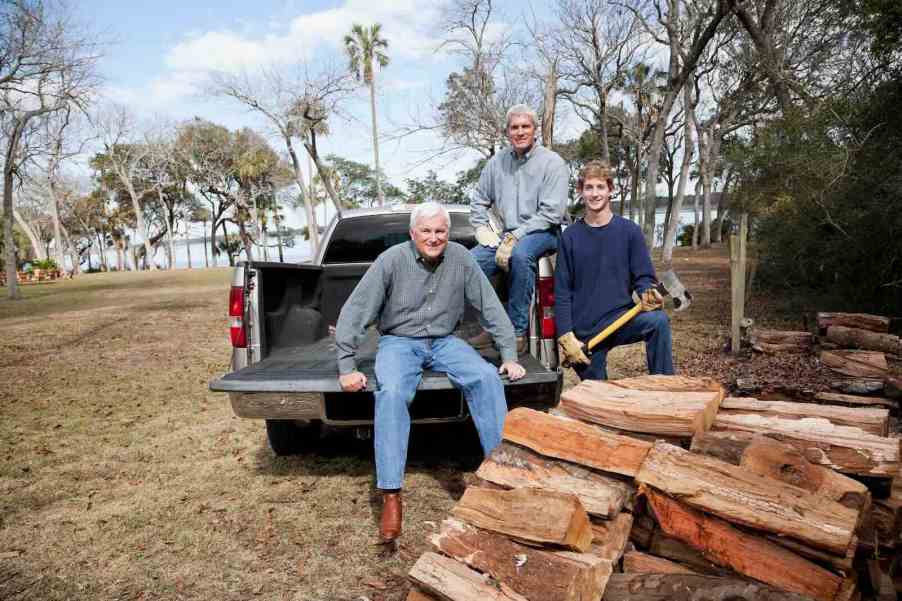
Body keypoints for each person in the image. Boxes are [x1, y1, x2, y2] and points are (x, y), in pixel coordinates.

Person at [335, 202, 526, 543]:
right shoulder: (391, 260)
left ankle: (501, 482)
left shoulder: (461, 259)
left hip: (444, 342)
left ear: (447, 234)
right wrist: (346, 365)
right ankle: (391, 494)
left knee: (485, 378)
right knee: (391, 393)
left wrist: (508, 354)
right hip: (399, 342)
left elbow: (490, 306)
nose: (433, 238)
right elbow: (358, 308)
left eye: (440, 231)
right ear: (413, 233)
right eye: (426, 231)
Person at [554, 160, 674, 381]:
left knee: (658, 322)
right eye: (589, 187)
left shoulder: (629, 232)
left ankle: (664, 385)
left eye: (600, 187)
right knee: (597, 401)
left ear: (611, 190)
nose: (595, 193)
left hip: (621, 318)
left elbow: (644, 276)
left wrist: (648, 291)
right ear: (581, 191)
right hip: (588, 333)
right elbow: (562, 291)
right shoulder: (570, 237)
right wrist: (565, 334)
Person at [468, 104, 569, 354]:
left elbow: (551, 213)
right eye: (515, 127)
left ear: (534, 130)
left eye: (525, 126)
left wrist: (516, 236)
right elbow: (479, 198)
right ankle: (492, 326)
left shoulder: (552, 163)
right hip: (506, 235)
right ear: (507, 132)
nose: (520, 131)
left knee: (521, 255)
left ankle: (516, 331)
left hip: (543, 232)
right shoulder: (497, 162)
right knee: (469, 262)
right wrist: (482, 228)